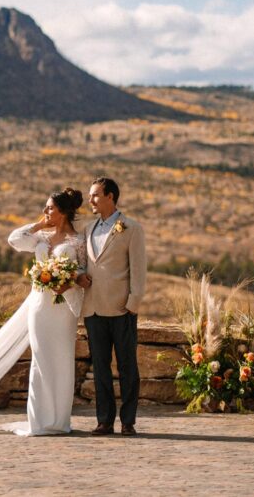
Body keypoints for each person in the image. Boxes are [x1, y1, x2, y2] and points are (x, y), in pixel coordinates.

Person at [0, 187, 86, 435]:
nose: (45, 211)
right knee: (40, 359)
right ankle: (38, 421)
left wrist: (68, 282)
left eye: (49, 208)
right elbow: (14, 239)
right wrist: (39, 224)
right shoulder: (40, 238)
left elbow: (82, 271)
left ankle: (59, 421)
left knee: (61, 360)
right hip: (39, 305)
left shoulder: (79, 241)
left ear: (63, 212)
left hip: (63, 307)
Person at [77, 176, 147, 436]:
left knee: (128, 366)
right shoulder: (88, 228)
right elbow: (84, 262)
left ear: (110, 197)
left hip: (121, 309)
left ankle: (128, 421)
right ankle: (104, 421)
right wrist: (79, 276)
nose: (90, 200)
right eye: (89, 194)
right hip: (93, 308)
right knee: (101, 368)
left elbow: (139, 270)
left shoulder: (131, 228)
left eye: (95, 195)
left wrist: (133, 303)